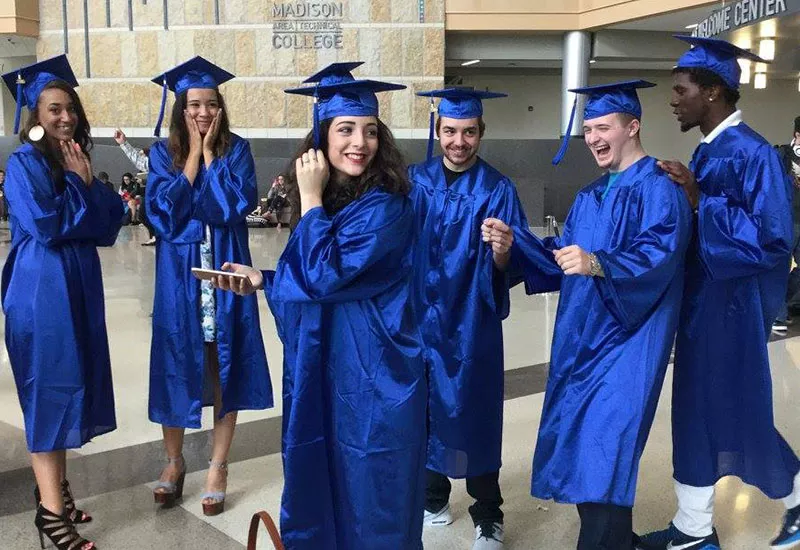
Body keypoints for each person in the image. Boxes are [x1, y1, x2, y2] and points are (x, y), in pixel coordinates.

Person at [213, 61, 427, 550]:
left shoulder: (387, 206)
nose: (360, 142)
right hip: (325, 370)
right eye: (345, 129)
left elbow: (324, 274)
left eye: (369, 131)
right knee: (323, 480)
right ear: (322, 138)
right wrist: (264, 281)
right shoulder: (335, 202)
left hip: (374, 376)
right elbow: (318, 285)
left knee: (373, 495)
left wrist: (309, 197)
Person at [510, 80, 691, 550]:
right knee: (583, 447)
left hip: (629, 342)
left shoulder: (659, 187)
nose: (592, 138)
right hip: (581, 339)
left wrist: (598, 263)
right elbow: (563, 255)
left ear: (633, 127)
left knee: (607, 447)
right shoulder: (590, 193)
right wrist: (514, 244)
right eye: (588, 129)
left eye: (603, 127)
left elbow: (660, 255)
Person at [637, 36, 800, 550]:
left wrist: (699, 198)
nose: (673, 100)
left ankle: (793, 498)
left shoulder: (753, 153)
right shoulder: (710, 148)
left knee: (732, 407)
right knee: (699, 408)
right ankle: (693, 527)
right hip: (705, 306)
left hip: (733, 308)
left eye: (680, 90)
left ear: (711, 92)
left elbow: (775, 239)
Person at [1, 54, 123, 550]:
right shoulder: (22, 164)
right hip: (41, 293)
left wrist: (86, 183)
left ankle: (58, 492)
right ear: (35, 115)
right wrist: (78, 185)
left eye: (70, 108)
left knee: (70, 387)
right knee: (49, 394)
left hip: (76, 289)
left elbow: (108, 225)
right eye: (54, 109)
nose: (65, 117)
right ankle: (51, 515)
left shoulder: (73, 159)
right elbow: (49, 225)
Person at [145, 56, 273, 517]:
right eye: (194, 104)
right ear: (181, 108)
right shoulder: (162, 154)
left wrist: (213, 158)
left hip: (224, 274)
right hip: (178, 281)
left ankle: (218, 466)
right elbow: (164, 216)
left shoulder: (238, 149)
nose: (203, 112)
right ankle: (174, 461)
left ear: (221, 108)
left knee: (224, 367)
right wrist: (194, 158)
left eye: (211, 104)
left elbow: (232, 208)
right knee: (175, 363)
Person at [410, 88, 528, 550]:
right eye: (450, 131)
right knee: (423, 411)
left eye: (469, 132)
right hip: (419, 322)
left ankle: (488, 514)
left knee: (473, 412)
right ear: (438, 131)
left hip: (471, 323)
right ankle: (432, 499)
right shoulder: (414, 181)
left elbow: (511, 266)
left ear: (481, 132)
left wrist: (503, 251)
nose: (459, 142)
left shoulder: (497, 189)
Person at [774, 116, 800, 333]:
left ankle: (784, 303)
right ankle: (778, 314)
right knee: (780, 267)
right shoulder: (782, 155)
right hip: (788, 220)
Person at [114, 128, 156, 244]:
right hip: (150, 193)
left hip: (161, 192)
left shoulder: (163, 160)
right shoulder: (150, 162)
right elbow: (139, 161)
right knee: (143, 214)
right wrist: (123, 143)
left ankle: (157, 236)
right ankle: (154, 236)